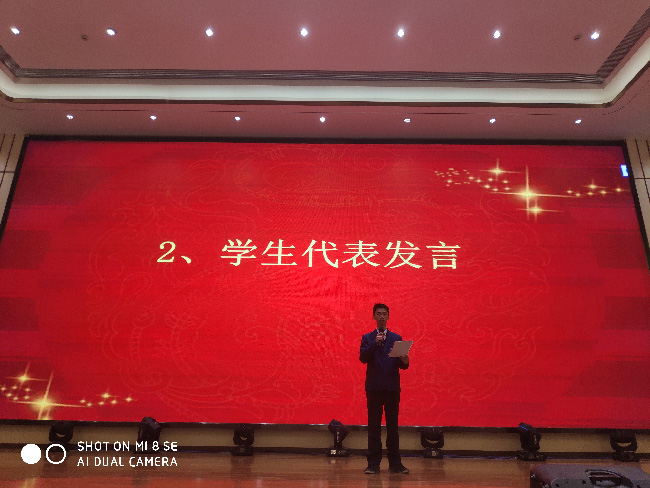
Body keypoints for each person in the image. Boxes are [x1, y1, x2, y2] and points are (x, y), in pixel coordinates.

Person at [359, 303, 410, 474]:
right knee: (374, 427)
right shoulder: (367, 338)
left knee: (392, 427)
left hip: (391, 388)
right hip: (374, 388)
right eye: (379, 314)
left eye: (384, 314)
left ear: (388, 317)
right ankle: (373, 464)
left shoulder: (396, 338)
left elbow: (401, 365)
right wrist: (375, 343)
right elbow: (363, 358)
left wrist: (405, 361)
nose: (381, 317)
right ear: (374, 316)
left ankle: (395, 464)